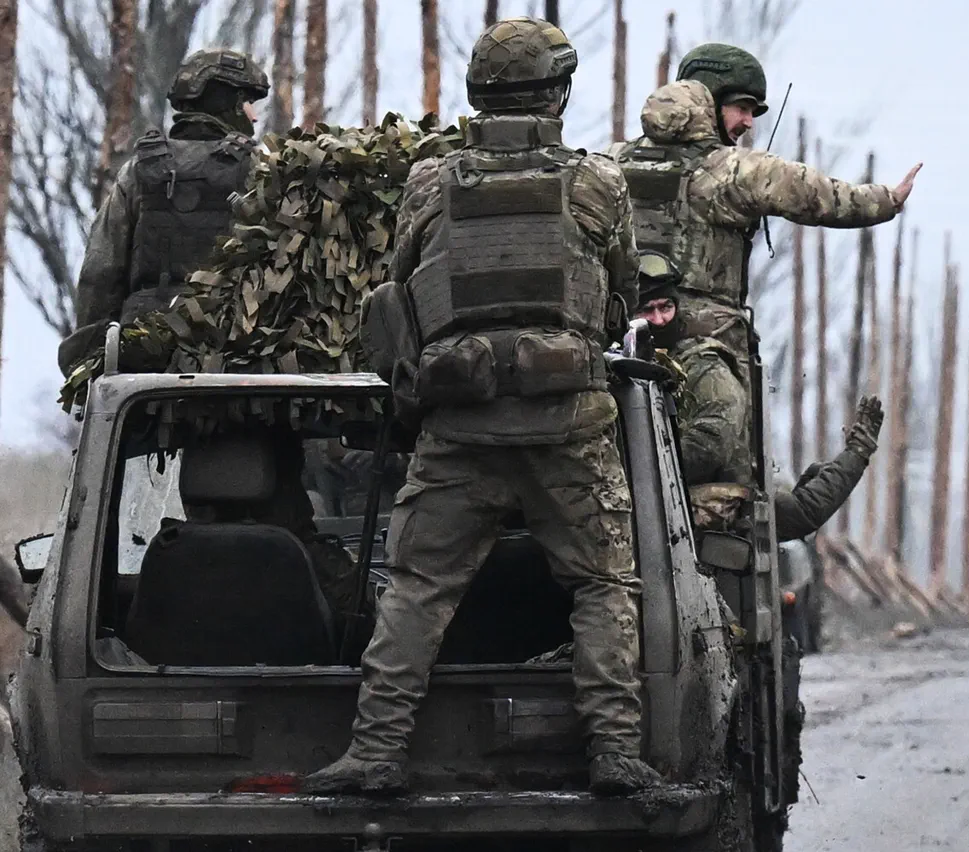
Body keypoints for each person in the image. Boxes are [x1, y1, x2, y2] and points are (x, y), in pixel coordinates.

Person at [304, 17, 658, 797]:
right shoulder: (599, 182)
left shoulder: (430, 182)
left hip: (458, 425)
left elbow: (401, 287)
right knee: (602, 586)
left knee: (418, 588)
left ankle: (376, 753)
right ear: (557, 92)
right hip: (569, 426)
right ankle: (616, 755)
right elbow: (617, 303)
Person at [606, 44, 920, 367]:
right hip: (705, 351)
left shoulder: (613, 159)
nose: (748, 123)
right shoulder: (729, 172)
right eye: (741, 107)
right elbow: (814, 195)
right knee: (720, 412)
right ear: (709, 102)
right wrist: (887, 200)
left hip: (621, 341)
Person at [633, 251, 882, 541]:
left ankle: (858, 452)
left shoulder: (703, 366)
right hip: (648, 507)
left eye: (666, 307)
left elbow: (713, 442)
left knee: (799, 514)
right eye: (647, 311)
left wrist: (642, 471)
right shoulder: (618, 360)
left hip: (703, 520)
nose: (660, 319)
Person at [60, 48, 270, 377]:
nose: (254, 118)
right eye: (249, 104)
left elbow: (100, 274)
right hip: (236, 364)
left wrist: (88, 363)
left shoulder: (139, 171)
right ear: (229, 102)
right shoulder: (261, 171)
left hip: (144, 364)